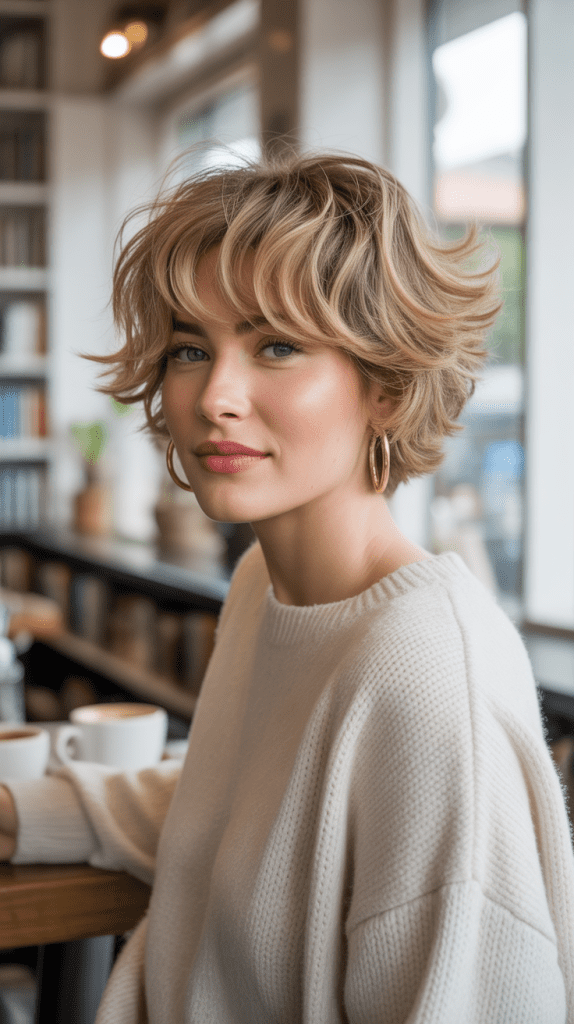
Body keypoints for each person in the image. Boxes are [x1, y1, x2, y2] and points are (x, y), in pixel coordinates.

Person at [1, 151, 573, 1023]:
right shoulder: (265, 581)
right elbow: (243, 820)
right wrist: (19, 812)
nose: (214, 396)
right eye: (191, 348)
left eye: (277, 345)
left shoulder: (426, 684)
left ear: (384, 384)